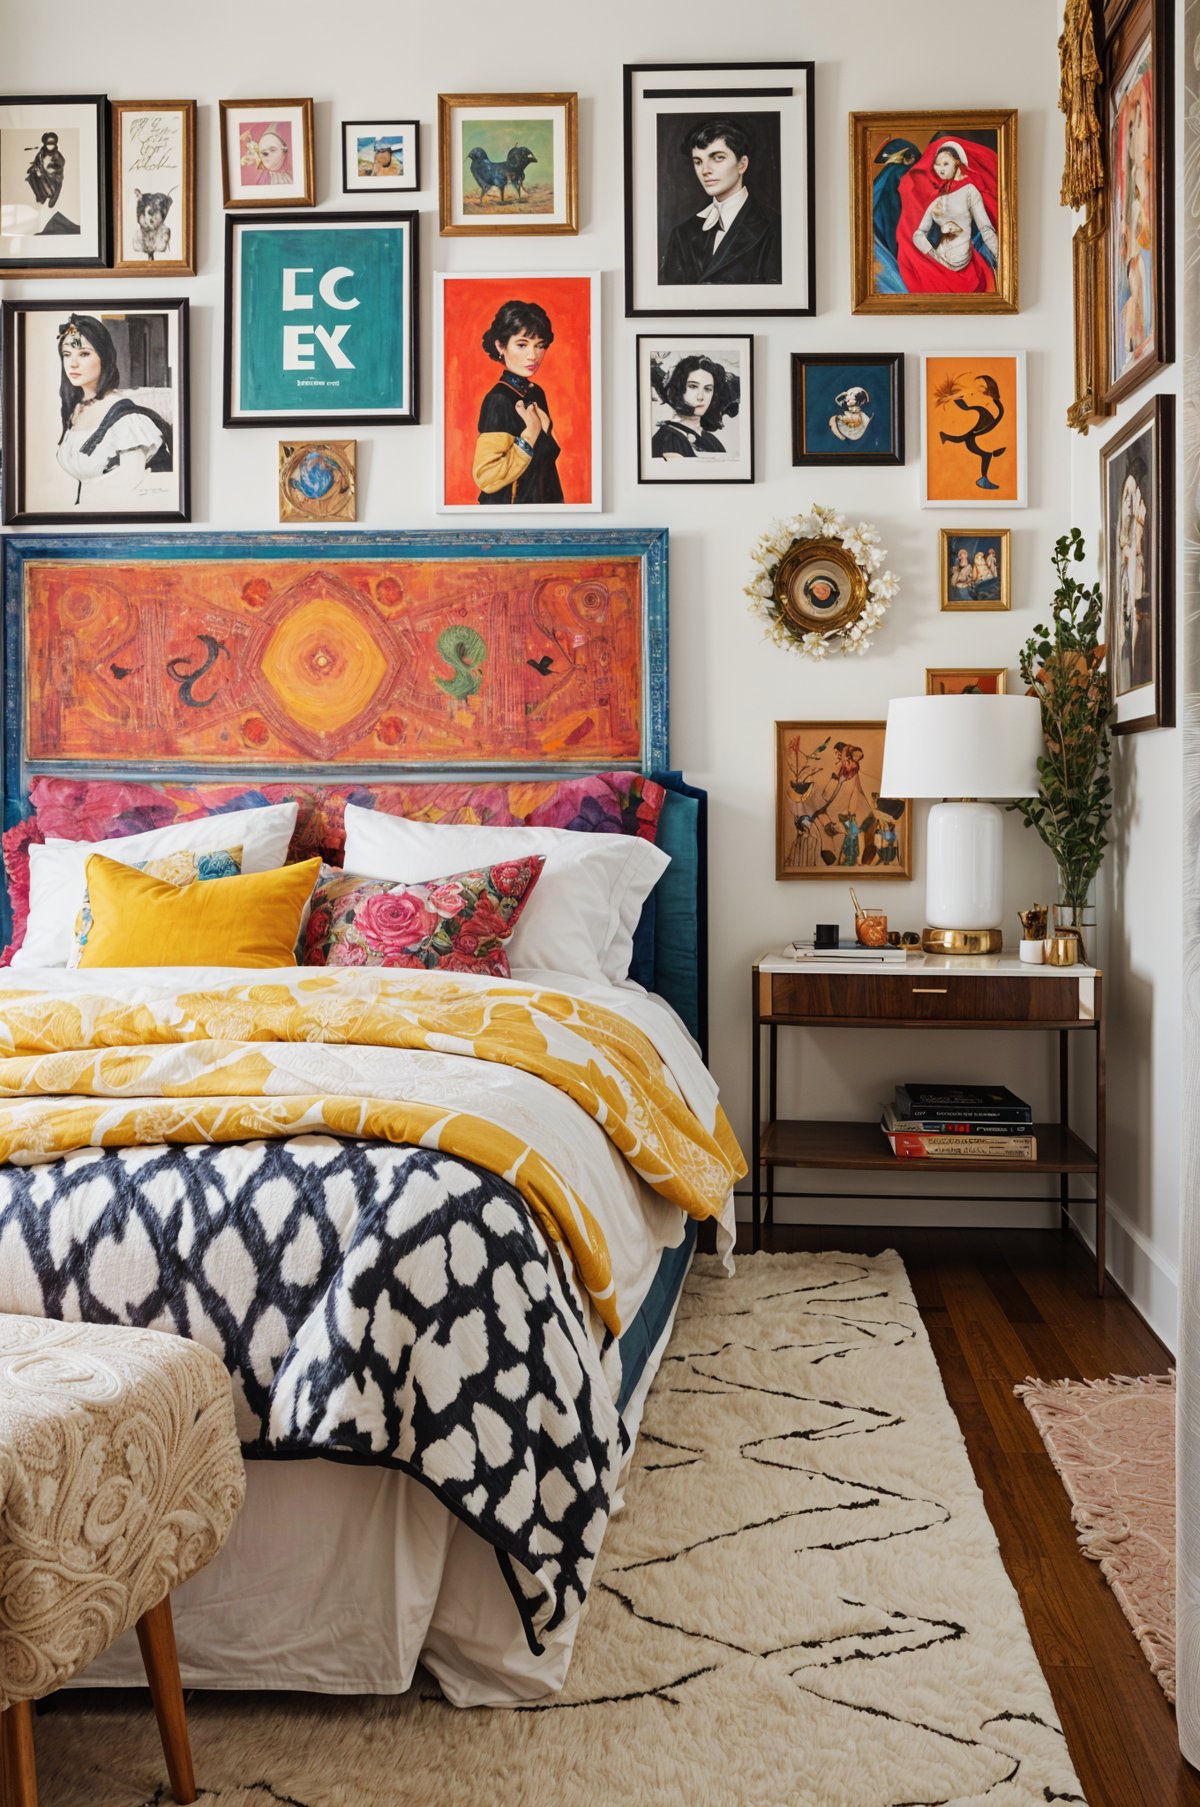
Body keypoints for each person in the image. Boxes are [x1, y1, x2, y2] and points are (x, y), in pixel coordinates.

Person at [54, 313, 173, 507]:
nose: (72, 363)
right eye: (67, 354)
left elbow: (129, 486)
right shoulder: (76, 408)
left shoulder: (127, 419)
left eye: (84, 353)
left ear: (104, 356)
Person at [659, 118, 781, 286]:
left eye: (717, 158)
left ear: (742, 164)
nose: (705, 170)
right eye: (698, 161)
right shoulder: (682, 234)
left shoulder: (775, 227)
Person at [472, 299, 563, 506]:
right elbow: (487, 477)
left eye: (540, 345)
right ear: (500, 346)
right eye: (522, 344)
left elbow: (546, 463)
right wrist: (529, 436)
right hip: (509, 512)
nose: (533, 355)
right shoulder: (499, 399)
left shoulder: (536, 393)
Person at [896, 135, 1000, 295]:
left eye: (946, 163)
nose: (941, 169)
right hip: (939, 266)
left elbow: (986, 229)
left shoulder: (970, 191)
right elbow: (918, 234)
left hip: (967, 266)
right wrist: (933, 255)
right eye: (937, 165)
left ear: (957, 162)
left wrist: (1001, 256)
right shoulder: (937, 198)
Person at [649, 352, 738, 458]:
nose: (701, 396)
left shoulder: (711, 439)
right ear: (678, 388)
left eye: (708, 389)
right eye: (693, 386)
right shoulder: (669, 438)